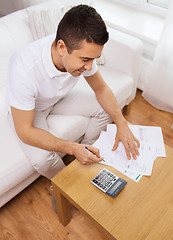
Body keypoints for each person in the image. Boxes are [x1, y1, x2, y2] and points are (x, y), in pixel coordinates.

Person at [7, 5, 140, 181]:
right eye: (85, 59)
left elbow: (101, 89)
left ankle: (86, 155)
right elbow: (24, 130)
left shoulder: (81, 56)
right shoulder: (23, 68)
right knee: (43, 160)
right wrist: (71, 148)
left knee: (106, 110)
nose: (90, 67)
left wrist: (121, 122)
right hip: (32, 109)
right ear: (62, 47)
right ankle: (64, 187)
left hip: (58, 98)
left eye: (93, 59)